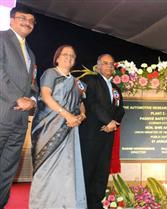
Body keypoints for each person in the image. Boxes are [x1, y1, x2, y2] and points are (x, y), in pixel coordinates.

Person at [29, 45, 87, 208]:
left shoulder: (77, 82)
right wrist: (67, 115)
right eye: (65, 54)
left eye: (72, 56)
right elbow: (46, 97)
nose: (69, 58)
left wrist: (81, 116)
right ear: (58, 57)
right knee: (46, 168)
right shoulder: (50, 73)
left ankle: (64, 203)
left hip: (70, 128)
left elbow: (81, 103)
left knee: (66, 169)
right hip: (48, 127)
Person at [0, 6, 38, 208]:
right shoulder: (1, 38)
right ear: (11, 20)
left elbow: (32, 84)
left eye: (31, 20)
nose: (27, 22)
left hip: (20, 123)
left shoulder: (30, 53)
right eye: (22, 18)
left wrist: (33, 99)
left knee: (7, 170)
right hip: (2, 116)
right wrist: (17, 98)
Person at [80, 54, 125, 209]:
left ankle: (95, 202)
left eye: (111, 64)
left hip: (108, 134)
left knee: (102, 170)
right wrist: (108, 121)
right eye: (105, 63)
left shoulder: (116, 88)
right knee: (88, 169)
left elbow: (121, 110)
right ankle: (83, 203)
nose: (109, 67)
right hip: (91, 134)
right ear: (98, 66)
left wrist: (114, 124)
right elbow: (91, 103)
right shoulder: (90, 81)